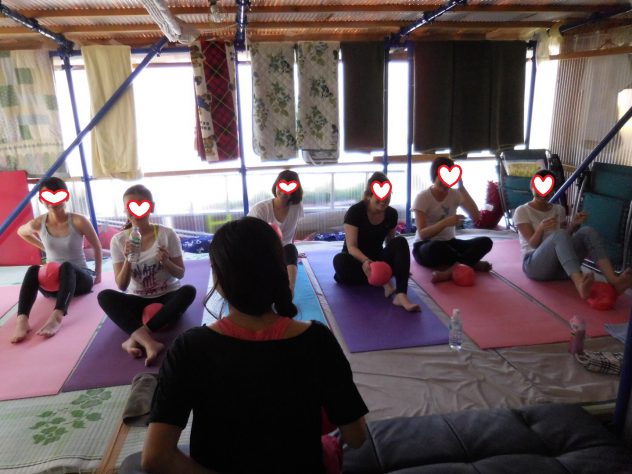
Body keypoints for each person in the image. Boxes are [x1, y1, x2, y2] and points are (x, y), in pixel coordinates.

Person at [142, 217, 368, 474]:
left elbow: (156, 457)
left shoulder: (189, 348)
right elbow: (356, 437)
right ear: (279, 271)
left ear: (218, 276)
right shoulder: (318, 340)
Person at [97, 185, 196, 366]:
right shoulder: (118, 240)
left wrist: (166, 261)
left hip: (168, 296)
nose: (136, 212)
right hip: (137, 299)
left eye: (142, 205)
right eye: (130, 207)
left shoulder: (167, 234)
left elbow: (180, 274)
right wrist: (128, 259)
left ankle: (135, 338)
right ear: (125, 210)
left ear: (151, 207)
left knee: (189, 291)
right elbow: (122, 286)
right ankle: (150, 343)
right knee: (104, 296)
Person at [514, 169, 632, 299]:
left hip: (560, 269)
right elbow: (533, 244)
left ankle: (614, 281)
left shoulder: (559, 209)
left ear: (552, 190)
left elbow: (564, 239)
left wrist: (573, 225)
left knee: (587, 231)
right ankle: (580, 283)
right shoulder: (522, 211)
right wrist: (540, 229)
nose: (543, 194)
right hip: (535, 266)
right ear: (532, 187)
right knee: (559, 234)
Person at [11, 177, 102, 343]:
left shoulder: (79, 220)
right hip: (53, 285)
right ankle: (22, 319)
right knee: (33, 269)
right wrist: (43, 246)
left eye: (58, 195)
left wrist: (99, 274)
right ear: (42, 200)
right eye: (47, 196)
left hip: (80, 279)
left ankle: (57, 316)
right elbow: (21, 232)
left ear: (66, 197)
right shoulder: (39, 223)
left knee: (66, 266)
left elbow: (97, 246)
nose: (53, 201)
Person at [333, 172, 420, 312]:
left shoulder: (391, 214)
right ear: (369, 196)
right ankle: (381, 279)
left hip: (379, 259)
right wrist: (367, 262)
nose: (383, 201)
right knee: (339, 261)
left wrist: (400, 265)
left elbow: (391, 243)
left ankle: (401, 295)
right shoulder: (355, 211)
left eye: (387, 197)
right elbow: (352, 247)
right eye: (379, 197)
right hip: (356, 260)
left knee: (401, 241)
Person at [412, 156, 493, 283]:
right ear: (434, 177)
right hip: (425, 246)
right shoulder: (422, 197)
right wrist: (446, 222)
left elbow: (476, 216)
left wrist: (462, 187)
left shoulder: (455, 194)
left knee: (486, 242)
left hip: (450, 243)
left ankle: (451, 271)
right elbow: (422, 234)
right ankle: (470, 263)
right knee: (437, 247)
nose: (445, 185)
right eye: (441, 181)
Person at [249, 170, 304, 294]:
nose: (284, 193)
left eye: (289, 190)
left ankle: (290, 291)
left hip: (283, 251)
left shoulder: (297, 206)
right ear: (276, 186)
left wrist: (294, 253)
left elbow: (294, 227)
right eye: (282, 187)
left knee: (291, 249)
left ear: (295, 192)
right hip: (263, 251)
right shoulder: (261, 210)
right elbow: (250, 237)